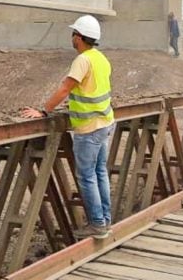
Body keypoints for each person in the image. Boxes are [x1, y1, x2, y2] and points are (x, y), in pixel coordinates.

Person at [20, 15, 115, 240]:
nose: (71, 38)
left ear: (79, 38)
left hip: (89, 128)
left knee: (87, 176)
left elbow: (65, 88)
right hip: (105, 123)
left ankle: (98, 225)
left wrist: (43, 111)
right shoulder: (101, 58)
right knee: (100, 172)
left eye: (73, 34)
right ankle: (106, 219)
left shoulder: (83, 60)